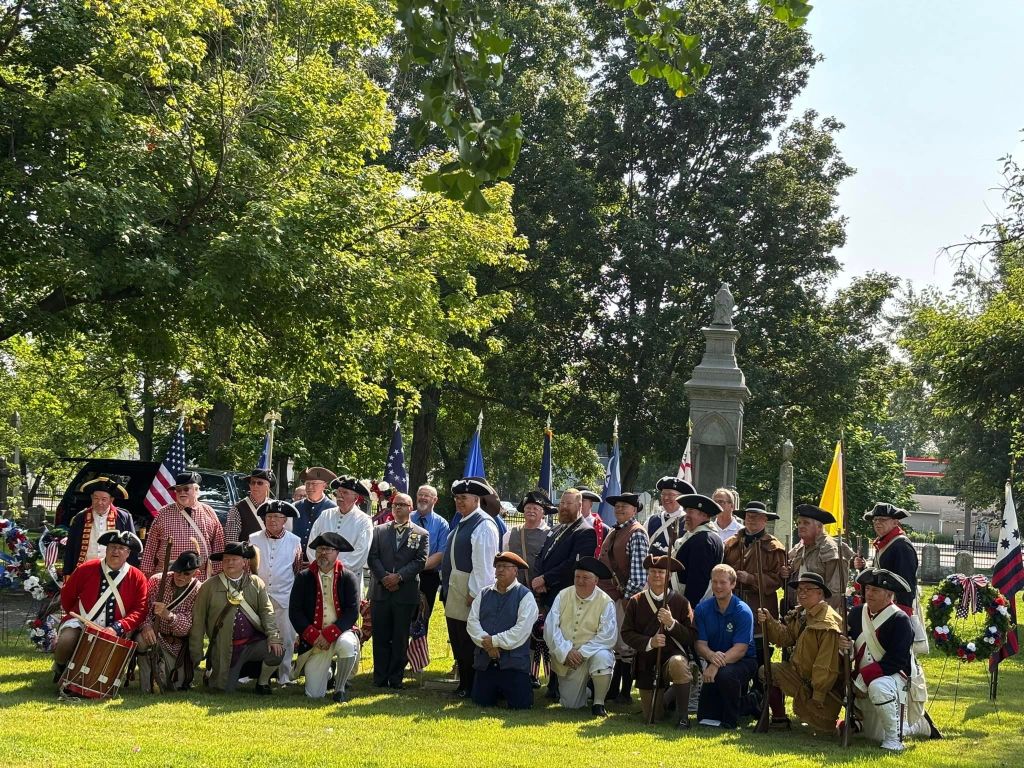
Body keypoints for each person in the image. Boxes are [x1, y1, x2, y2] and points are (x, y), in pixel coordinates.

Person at [838, 568, 940, 751]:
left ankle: (897, 738)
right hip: (863, 676)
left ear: (889, 595)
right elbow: (851, 650)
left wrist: (863, 680)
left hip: (893, 677)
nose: (869, 594)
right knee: (872, 734)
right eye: (868, 589)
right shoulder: (856, 613)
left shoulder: (900, 619)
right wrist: (845, 646)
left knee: (879, 687)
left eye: (875, 590)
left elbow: (897, 660)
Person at [53, 530, 148, 684]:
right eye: (112, 547)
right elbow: (67, 596)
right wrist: (77, 616)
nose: (116, 551)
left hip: (117, 628)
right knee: (66, 640)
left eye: (121, 548)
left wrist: (118, 627)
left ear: (128, 553)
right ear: (107, 549)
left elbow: (140, 609)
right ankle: (60, 667)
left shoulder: (137, 577)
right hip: (82, 621)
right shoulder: (86, 568)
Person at [722, 500, 786, 720]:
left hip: (760, 606)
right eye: (749, 516)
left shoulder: (775, 547)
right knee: (734, 652)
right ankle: (737, 700)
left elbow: (778, 580)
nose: (751, 519)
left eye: (757, 517)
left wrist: (751, 578)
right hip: (733, 605)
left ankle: (759, 700)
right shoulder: (731, 543)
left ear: (765, 520)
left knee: (759, 655)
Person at [189, 542, 283, 693]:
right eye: (226, 559)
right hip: (224, 648)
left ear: (244, 562)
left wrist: (273, 637)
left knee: (277, 651)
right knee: (222, 690)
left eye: (234, 559)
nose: (229, 563)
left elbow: (267, 612)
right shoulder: (209, 586)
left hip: (252, 644)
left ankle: (262, 683)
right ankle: (215, 674)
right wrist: (196, 653)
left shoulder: (256, 583)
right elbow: (198, 621)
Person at [757, 572, 843, 731]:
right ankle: (779, 718)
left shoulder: (827, 623)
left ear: (820, 593)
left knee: (822, 724)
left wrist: (818, 695)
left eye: (808, 589)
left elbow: (826, 665)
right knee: (767, 670)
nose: (802, 593)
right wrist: (769, 621)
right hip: (799, 675)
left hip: (820, 688)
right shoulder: (802, 613)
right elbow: (786, 638)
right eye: (800, 589)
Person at [621, 555, 697, 727]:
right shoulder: (636, 601)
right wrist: (650, 642)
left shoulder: (681, 602)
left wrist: (672, 624)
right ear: (648, 574)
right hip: (646, 663)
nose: (657, 575)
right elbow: (626, 633)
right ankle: (668, 697)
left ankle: (683, 718)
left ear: (668, 576)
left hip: (672, 657)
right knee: (655, 715)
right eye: (653, 571)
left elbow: (691, 636)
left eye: (661, 572)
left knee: (679, 663)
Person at [441, 476, 500, 698]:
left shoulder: (483, 525)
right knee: (458, 638)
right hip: (456, 587)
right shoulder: (464, 521)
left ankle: (472, 685)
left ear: (476, 499)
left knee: (468, 640)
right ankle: (464, 683)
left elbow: (484, 565)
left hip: (469, 589)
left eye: (464, 498)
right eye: (457, 498)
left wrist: (475, 593)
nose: (459, 502)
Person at [290, 532, 361, 702]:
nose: (323, 553)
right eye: (320, 549)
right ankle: (329, 673)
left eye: (328, 549)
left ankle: (340, 688)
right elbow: (295, 612)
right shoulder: (303, 577)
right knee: (314, 694)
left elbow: (352, 611)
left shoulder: (348, 577)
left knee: (347, 645)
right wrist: (314, 636)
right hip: (315, 640)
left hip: (341, 633)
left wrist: (330, 634)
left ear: (337, 553)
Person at [367, 492, 428, 689]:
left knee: (400, 637)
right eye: (395, 504)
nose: (398, 507)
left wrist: (399, 577)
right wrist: (385, 578)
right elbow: (372, 557)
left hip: (405, 593)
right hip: (381, 592)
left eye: (402, 504)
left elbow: (420, 561)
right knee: (381, 636)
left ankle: (395, 678)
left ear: (411, 508)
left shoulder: (421, 533)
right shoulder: (378, 531)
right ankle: (380, 678)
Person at [544, 557, 618, 716]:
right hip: (568, 658)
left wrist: (581, 653)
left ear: (596, 581)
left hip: (591, 654)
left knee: (603, 657)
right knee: (571, 705)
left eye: (585, 577)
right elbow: (551, 629)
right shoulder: (563, 595)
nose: (580, 581)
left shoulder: (606, 602)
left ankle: (598, 703)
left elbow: (607, 636)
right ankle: (588, 690)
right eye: (577, 576)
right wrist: (566, 652)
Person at [467, 551, 540, 709]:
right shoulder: (483, 593)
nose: (500, 570)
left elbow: (521, 631)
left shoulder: (525, 596)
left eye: (505, 566)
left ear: (515, 571)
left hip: (514, 666)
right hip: (486, 663)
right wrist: (488, 645)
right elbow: (472, 622)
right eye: (498, 566)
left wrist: (494, 641)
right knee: (481, 702)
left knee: (520, 706)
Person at [597, 492, 650, 704]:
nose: (619, 509)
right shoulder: (616, 531)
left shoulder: (636, 533)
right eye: (617, 505)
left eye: (624, 506)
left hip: (623, 598)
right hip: (610, 595)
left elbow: (639, 575)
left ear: (634, 510)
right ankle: (614, 689)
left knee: (625, 645)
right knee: (615, 644)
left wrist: (629, 599)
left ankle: (625, 692)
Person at [693, 564, 758, 729]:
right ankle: (749, 702)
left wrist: (714, 664)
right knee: (705, 717)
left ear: (733, 584)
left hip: (743, 661)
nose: (718, 586)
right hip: (714, 659)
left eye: (723, 582)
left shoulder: (743, 611)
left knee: (725, 674)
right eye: (714, 582)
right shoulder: (702, 609)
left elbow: (740, 649)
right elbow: (700, 644)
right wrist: (711, 656)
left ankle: (731, 720)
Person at [249, 499, 303, 685]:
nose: (273, 520)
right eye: (269, 516)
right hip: (258, 596)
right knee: (254, 635)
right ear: (264, 519)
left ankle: (284, 676)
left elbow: (296, 569)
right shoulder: (253, 539)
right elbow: (248, 568)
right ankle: (252, 672)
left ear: (284, 520)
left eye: (277, 517)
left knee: (286, 638)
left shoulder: (295, 541)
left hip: (284, 597)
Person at [136, 550, 201, 692]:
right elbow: (143, 609)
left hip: (177, 645)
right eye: (178, 572)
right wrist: (146, 626)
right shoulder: (157, 580)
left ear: (196, 573)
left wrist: (169, 615)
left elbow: (187, 627)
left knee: (175, 686)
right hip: (155, 635)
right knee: (141, 640)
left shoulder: (199, 590)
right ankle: (146, 686)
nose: (181, 577)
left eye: (186, 574)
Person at [141, 471, 224, 580]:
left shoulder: (209, 512)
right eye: (178, 490)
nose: (182, 493)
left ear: (196, 490)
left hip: (200, 577)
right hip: (169, 576)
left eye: (186, 489)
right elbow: (151, 546)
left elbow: (218, 545)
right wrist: (147, 574)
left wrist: (216, 572)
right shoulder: (163, 513)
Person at [307, 476, 374, 595]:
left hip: (347, 580)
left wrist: (337, 570)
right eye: (338, 492)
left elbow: (361, 553)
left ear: (355, 498)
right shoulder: (325, 515)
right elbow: (311, 544)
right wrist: (320, 568)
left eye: (345, 493)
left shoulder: (364, 521)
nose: (340, 496)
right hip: (320, 577)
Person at [782, 504, 854, 611]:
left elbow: (836, 590)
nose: (801, 526)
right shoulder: (799, 548)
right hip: (797, 611)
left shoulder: (830, 548)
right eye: (799, 523)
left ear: (819, 527)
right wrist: (786, 573)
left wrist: (818, 614)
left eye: (806, 523)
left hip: (821, 614)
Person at [63, 477, 138, 577]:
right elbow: (70, 547)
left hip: (114, 571)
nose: (99, 502)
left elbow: (131, 546)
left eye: (104, 499)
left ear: (111, 500)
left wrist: (130, 573)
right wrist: (67, 572)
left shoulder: (123, 517)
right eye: (96, 498)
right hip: (85, 569)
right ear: (91, 498)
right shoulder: (80, 518)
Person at [854, 503, 918, 612]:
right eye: (875, 520)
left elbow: (906, 582)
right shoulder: (884, 542)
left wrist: (903, 612)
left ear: (895, 522)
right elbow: (879, 576)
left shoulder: (901, 545)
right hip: (882, 605)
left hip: (894, 607)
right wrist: (863, 568)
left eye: (883, 519)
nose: (877, 523)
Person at [670, 494, 725, 608]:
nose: (686, 516)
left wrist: (688, 608)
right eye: (686, 511)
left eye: (690, 511)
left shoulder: (703, 541)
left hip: (694, 606)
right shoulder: (701, 536)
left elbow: (697, 581)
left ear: (704, 515)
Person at [410, 484, 450, 633]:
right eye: (420, 494)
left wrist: (416, 567)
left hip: (428, 578)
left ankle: (418, 647)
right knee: (402, 618)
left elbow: (440, 554)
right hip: (404, 577)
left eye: (426, 495)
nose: (422, 498)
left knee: (422, 619)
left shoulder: (442, 524)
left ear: (435, 500)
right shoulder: (406, 518)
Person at [504, 490, 551, 586]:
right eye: (528, 508)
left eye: (535, 508)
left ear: (543, 513)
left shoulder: (550, 535)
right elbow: (504, 559)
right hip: (514, 587)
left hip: (540, 589)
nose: (531, 511)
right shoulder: (510, 533)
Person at [292, 467, 338, 554]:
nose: (310, 487)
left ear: (324, 485)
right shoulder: (295, 507)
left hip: (321, 558)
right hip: (295, 558)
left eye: (314, 483)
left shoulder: (333, 509)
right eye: (307, 483)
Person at [225, 468, 276, 544]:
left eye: (260, 483)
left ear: (267, 486)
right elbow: (231, 543)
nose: (255, 485)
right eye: (252, 482)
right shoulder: (237, 509)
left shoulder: (275, 507)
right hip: (248, 551)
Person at [646, 477, 695, 555]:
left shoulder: (690, 521)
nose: (666, 498)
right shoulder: (651, 520)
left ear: (680, 498)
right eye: (663, 494)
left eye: (670, 494)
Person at [577, 487, 606, 555]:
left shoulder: (604, 529)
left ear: (591, 504)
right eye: (576, 501)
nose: (579, 503)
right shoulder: (564, 526)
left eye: (582, 500)